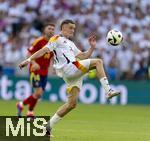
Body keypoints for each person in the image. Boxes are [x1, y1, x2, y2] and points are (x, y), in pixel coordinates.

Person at [19, 19, 120, 135]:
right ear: (62, 28)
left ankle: (47, 127)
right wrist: (28, 60)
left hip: (72, 75)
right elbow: (43, 50)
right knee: (98, 62)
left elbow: (83, 56)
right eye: (70, 28)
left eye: (74, 28)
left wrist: (92, 47)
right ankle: (108, 91)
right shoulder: (56, 39)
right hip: (70, 68)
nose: (73, 30)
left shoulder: (70, 43)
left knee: (71, 104)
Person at [16, 23, 55, 117]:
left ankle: (27, 109)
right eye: (49, 28)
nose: (51, 30)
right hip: (35, 70)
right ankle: (25, 108)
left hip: (45, 72)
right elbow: (29, 53)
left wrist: (54, 67)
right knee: (38, 92)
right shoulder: (38, 41)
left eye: (53, 29)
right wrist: (34, 63)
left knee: (38, 94)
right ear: (44, 30)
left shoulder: (53, 43)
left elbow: (52, 56)